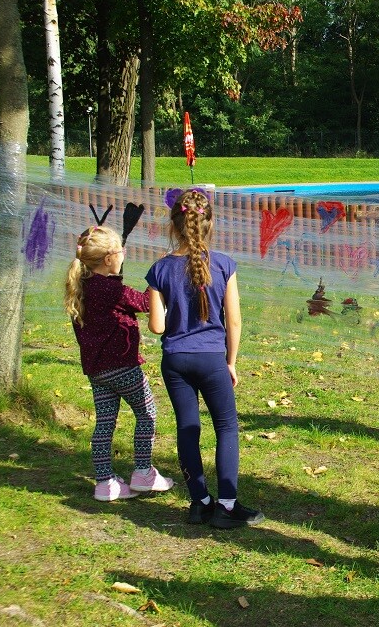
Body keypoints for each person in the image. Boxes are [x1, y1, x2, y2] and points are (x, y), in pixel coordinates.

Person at [146, 189, 264, 529]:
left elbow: (156, 326)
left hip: (175, 360)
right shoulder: (225, 265)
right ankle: (226, 506)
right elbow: (235, 320)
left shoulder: (159, 269)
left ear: (175, 225)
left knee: (187, 427)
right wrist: (231, 361)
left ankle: (199, 502)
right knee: (225, 427)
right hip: (212, 358)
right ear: (209, 225)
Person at [63, 225, 174, 502]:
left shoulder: (82, 288)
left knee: (104, 423)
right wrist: (158, 272)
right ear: (109, 258)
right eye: (120, 251)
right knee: (147, 414)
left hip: (96, 370)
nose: (124, 255)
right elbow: (147, 302)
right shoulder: (112, 290)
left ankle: (105, 483)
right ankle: (143, 472)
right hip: (123, 368)